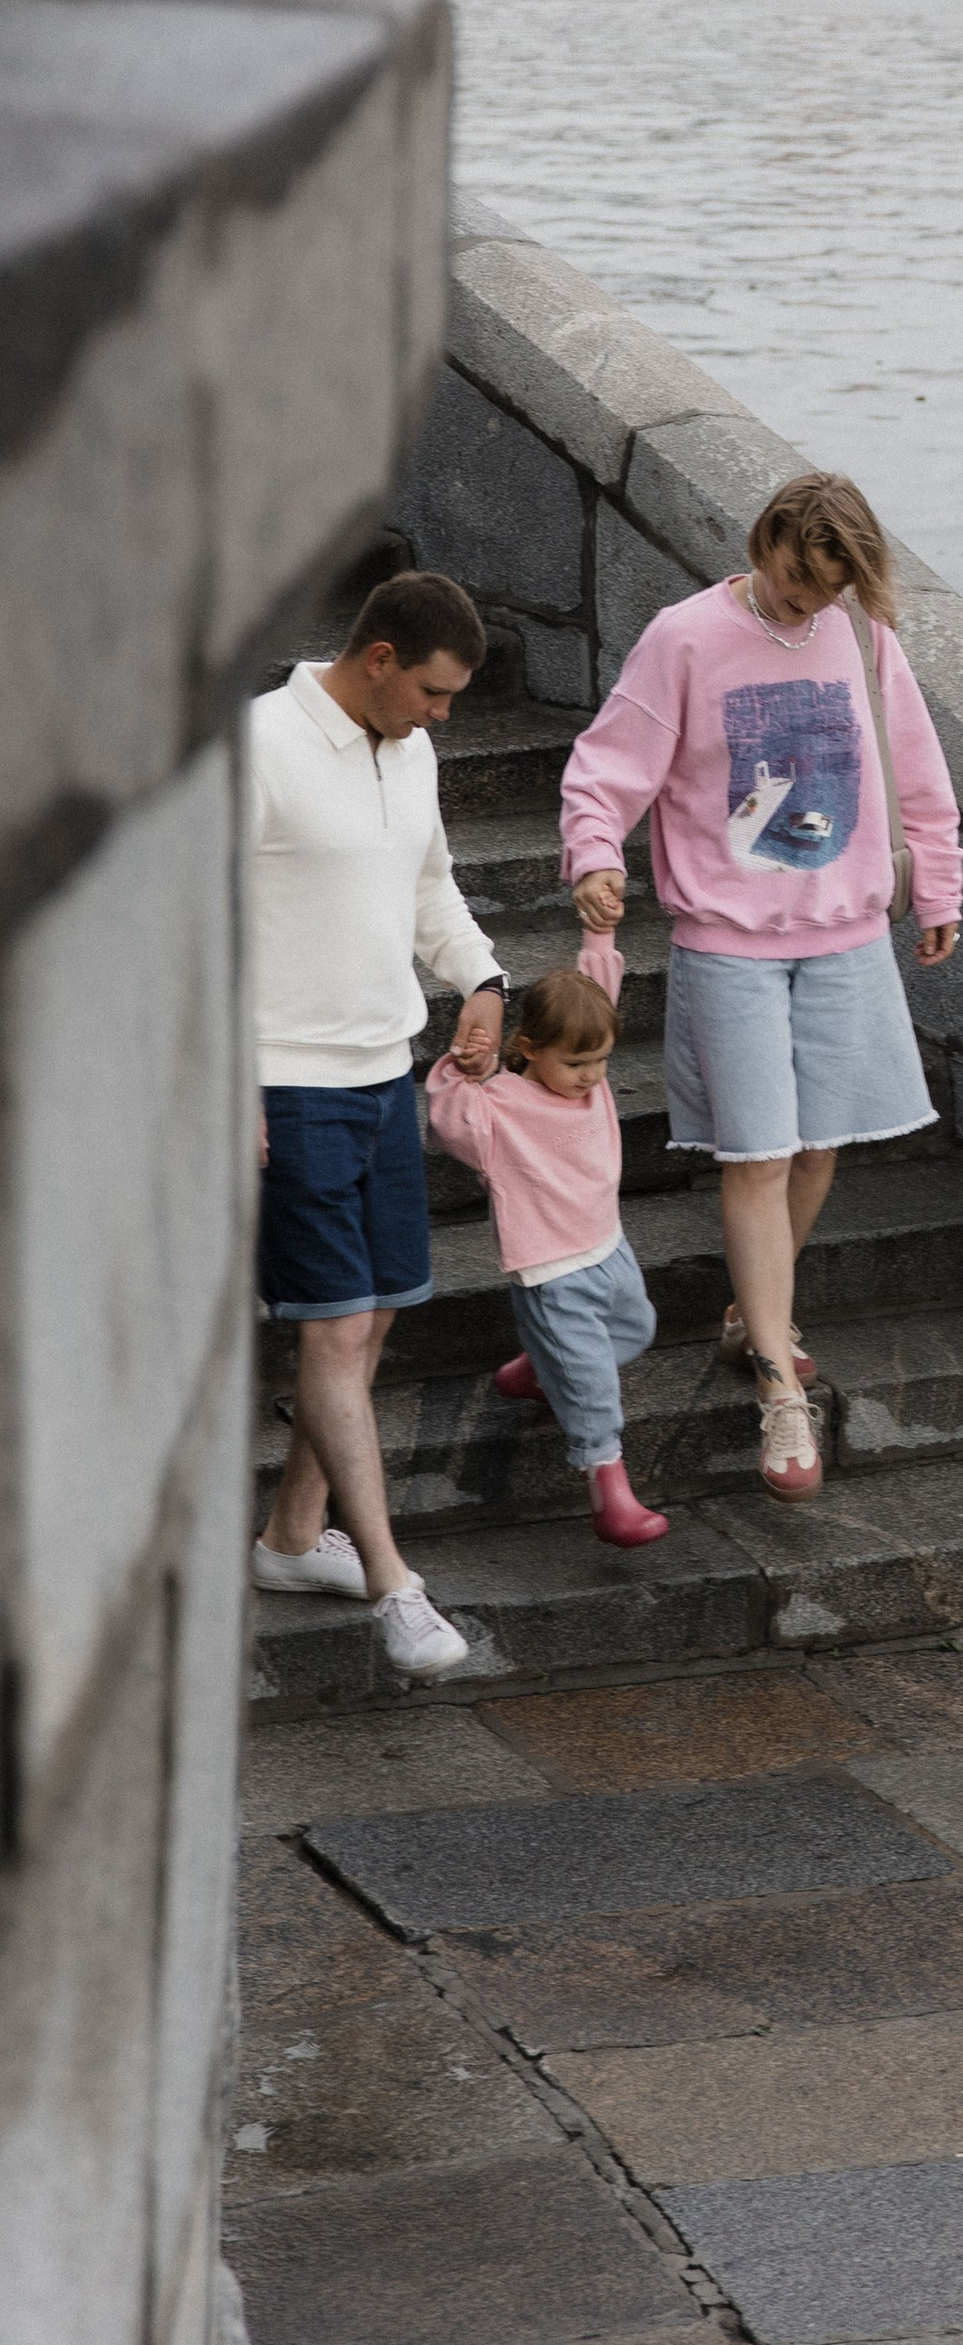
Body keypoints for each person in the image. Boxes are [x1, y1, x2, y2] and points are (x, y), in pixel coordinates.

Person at [559, 470, 962, 1500]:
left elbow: (917, 773)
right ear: (764, 541)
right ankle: (780, 1388)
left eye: (826, 589)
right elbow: (604, 770)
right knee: (758, 1156)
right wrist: (594, 854)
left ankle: (756, 1317)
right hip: (728, 941)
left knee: (818, 1148)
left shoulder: (862, 637)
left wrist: (938, 887)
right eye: (794, 579)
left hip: (846, 935)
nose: (804, 602)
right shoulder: (685, 638)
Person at [249, 567, 505, 1678]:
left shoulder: (411, 750)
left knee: (380, 1310)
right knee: (335, 1328)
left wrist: (481, 978)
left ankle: (293, 1537)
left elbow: (429, 886)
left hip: (384, 1074)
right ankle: (395, 1585)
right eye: (433, 693)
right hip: (286, 1081)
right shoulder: (256, 747)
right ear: (379, 658)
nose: (442, 715)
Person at [425, 931, 667, 1547]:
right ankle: (608, 1489)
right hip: (551, 1271)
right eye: (577, 1064)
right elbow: (448, 1122)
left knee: (636, 1328)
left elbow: (598, 989)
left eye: (601, 1062)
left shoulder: (589, 1078)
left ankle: (540, 1369)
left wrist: (601, 931)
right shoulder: (499, 1109)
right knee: (591, 1386)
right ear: (530, 1049)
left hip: (608, 1244)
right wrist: (462, 1067)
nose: (592, 1077)